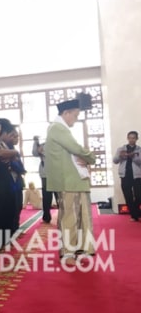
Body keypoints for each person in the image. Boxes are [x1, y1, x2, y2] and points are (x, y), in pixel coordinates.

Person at [44, 98, 96, 265]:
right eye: (75, 115)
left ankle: (82, 249)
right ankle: (68, 252)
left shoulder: (60, 128)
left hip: (74, 179)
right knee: (70, 217)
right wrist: (91, 157)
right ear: (65, 113)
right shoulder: (57, 128)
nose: (76, 118)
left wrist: (85, 158)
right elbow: (76, 148)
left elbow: (75, 151)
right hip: (68, 180)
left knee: (82, 216)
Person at [113, 130, 141, 221]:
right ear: (127, 138)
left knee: (139, 196)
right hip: (125, 175)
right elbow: (115, 160)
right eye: (130, 138)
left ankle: (135, 213)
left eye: (134, 138)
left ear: (137, 139)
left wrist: (133, 157)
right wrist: (121, 156)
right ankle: (134, 216)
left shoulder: (139, 150)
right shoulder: (121, 149)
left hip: (137, 176)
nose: (131, 140)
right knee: (128, 196)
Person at [32, 136, 58, 223]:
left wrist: (44, 152)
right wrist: (36, 142)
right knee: (46, 197)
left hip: (57, 175)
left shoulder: (59, 145)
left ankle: (63, 216)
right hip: (45, 175)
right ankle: (46, 217)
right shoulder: (42, 145)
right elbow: (35, 153)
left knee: (59, 197)